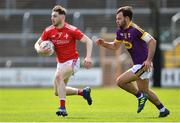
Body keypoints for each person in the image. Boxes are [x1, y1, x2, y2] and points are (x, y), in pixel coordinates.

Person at [96, 6, 170, 117]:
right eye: (116, 19)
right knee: (145, 91)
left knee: (120, 81)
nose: (117, 21)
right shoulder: (120, 32)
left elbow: (152, 41)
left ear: (126, 18)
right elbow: (115, 46)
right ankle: (163, 109)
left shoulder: (135, 30)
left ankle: (140, 97)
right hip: (139, 65)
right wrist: (104, 43)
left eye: (119, 18)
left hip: (143, 65)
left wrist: (149, 60)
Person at [34, 5, 93, 117]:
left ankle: (62, 108)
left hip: (73, 61)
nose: (52, 18)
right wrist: (39, 50)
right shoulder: (48, 30)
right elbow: (37, 44)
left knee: (58, 77)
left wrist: (88, 57)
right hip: (60, 63)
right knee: (58, 92)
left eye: (55, 16)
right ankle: (83, 92)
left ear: (62, 17)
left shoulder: (71, 30)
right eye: (51, 16)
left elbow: (88, 41)